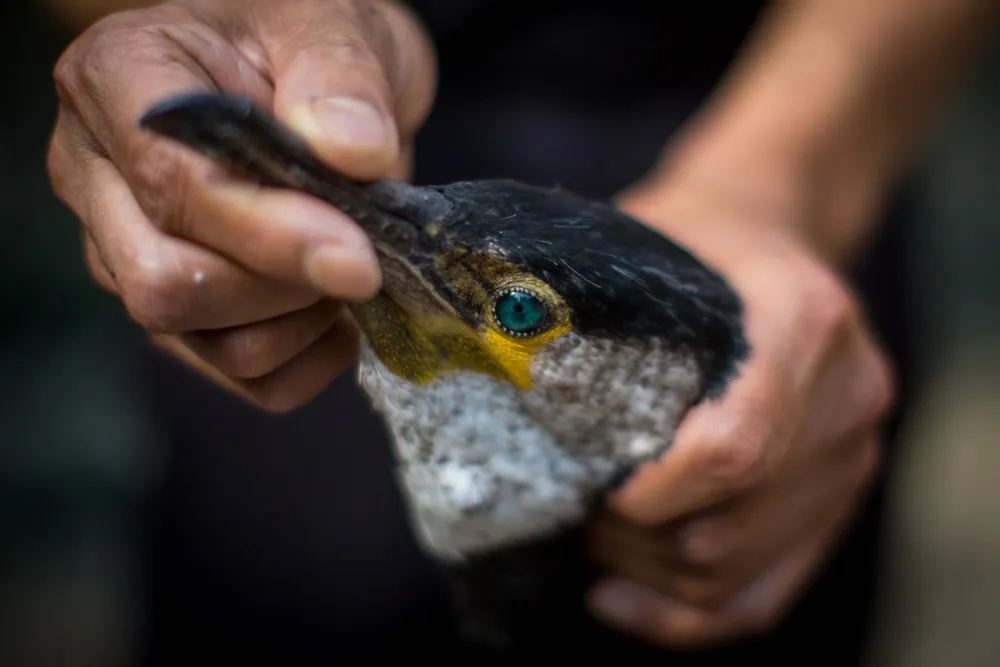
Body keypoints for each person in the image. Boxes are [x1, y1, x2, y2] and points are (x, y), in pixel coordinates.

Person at [44, 0, 1000, 663]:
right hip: (383, 120)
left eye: (517, 317)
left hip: (782, 111)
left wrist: (788, 177)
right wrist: (197, 30)